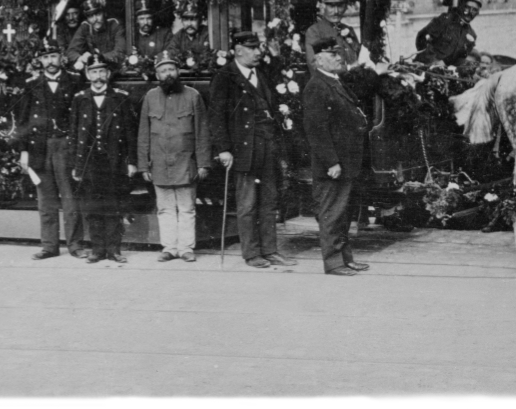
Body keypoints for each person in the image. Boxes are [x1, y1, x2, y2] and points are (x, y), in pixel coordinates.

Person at [209, 31, 294, 268]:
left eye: (259, 47)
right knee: (247, 204)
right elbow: (216, 117)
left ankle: (270, 249)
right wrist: (224, 149)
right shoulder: (225, 77)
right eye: (252, 48)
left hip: (267, 146)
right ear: (237, 51)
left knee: (269, 201)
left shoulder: (261, 74)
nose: (258, 52)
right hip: (243, 148)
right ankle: (252, 253)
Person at [302, 37, 370, 276]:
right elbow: (316, 130)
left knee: (343, 214)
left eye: (339, 54)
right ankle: (333, 263)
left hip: (346, 162)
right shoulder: (317, 86)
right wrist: (331, 162)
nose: (340, 58)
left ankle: (345, 258)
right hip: (333, 165)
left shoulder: (335, 82)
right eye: (332, 55)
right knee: (332, 213)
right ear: (318, 59)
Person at [13, 37, 84, 260]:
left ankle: (75, 245)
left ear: (61, 57)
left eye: (53, 56)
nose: (50, 61)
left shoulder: (74, 81)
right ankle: (49, 246)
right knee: (45, 198)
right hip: (39, 147)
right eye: (45, 57)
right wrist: (23, 151)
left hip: (65, 145)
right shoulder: (31, 84)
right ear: (40, 61)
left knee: (70, 198)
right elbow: (22, 121)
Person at [138, 50, 212, 263]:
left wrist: (203, 163)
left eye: (171, 69)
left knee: (187, 208)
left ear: (178, 71)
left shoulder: (193, 96)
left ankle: (186, 248)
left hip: (186, 163)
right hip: (159, 164)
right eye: (163, 70)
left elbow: (202, 132)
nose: (168, 74)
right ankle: (169, 247)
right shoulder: (150, 97)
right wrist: (144, 165)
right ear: (157, 74)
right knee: (165, 208)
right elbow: (143, 134)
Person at [69, 53, 138, 263]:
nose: (98, 76)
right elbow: (74, 135)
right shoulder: (79, 99)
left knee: (113, 206)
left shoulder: (120, 98)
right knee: (92, 208)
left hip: (114, 162)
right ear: (88, 74)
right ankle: (98, 250)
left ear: (108, 74)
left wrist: (132, 161)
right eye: (93, 71)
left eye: (101, 71)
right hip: (90, 164)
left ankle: (114, 250)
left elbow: (130, 133)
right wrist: (76, 165)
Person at [415, 0, 481, 66]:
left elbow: (460, 58)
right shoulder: (445, 20)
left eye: (474, 10)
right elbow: (421, 36)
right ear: (461, 6)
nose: (470, 12)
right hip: (425, 65)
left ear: (477, 13)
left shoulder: (472, 35)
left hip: (446, 72)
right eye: (467, 7)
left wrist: (445, 63)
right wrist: (429, 59)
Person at [304, 0, 361, 69]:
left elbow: (358, 56)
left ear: (345, 7)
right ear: (323, 6)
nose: (336, 11)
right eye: (331, 6)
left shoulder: (349, 29)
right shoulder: (314, 31)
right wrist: (348, 68)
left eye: (340, 5)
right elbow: (315, 65)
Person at [67, 0, 128, 69]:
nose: (95, 19)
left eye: (98, 14)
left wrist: (101, 57)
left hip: (113, 67)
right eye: (90, 16)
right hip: (94, 69)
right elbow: (71, 51)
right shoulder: (85, 27)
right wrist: (81, 58)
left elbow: (120, 52)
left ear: (104, 13)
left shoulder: (114, 25)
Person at [165, 4, 211, 71]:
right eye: (186, 20)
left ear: (200, 20)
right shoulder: (178, 36)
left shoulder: (208, 33)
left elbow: (210, 55)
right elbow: (171, 53)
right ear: (182, 21)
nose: (189, 24)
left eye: (193, 19)